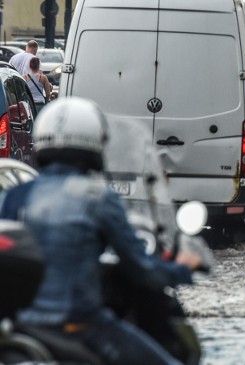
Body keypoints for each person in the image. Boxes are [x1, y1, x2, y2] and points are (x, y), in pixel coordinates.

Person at [0, 97, 202, 365]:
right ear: (94, 142)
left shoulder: (16, 195)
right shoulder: (97, 197)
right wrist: (183, 269)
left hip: (21, 328)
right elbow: (141, 268)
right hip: (82, 328)